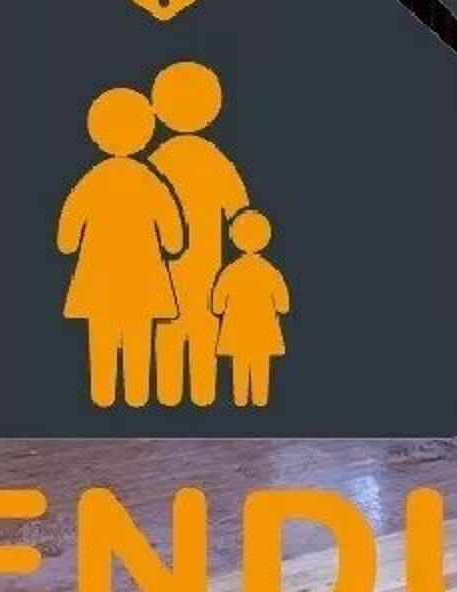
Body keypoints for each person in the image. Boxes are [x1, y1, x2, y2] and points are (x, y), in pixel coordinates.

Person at [56, 87, 185, 407]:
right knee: (139, 340)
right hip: (143, 279)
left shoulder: (92, 180)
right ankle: (138, 395)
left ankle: (102, 395)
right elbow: (173, 235)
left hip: (98, 280)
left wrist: (70, 243)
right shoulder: (149, 180)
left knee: (101, 340)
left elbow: (67, 234)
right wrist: (172, 245)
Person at [147, 61, 248, 407]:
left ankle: (167, 391)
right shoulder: (214, 159)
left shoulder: (157, 159)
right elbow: (239, 210)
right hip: (206, 263)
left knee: (168, 326)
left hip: (166, 265)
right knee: (204, 327)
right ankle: (203, 392)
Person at [212, 210, 289, 408]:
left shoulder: (230, 272)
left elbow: (217, 306)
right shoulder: (271, 272)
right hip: (263, 331)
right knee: (261, 367)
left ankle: (239, 400)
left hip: (237, 331)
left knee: (239, 367)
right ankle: (260, 401)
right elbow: (283, 306)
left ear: (234, 237)